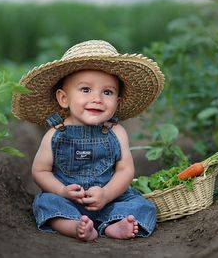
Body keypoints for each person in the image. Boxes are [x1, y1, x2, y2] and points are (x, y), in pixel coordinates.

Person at [12, 40, 165, 241]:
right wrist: (62, 190)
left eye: (107, 92)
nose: (97, 98)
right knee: (46, 202)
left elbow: (125, 171)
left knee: (143, 205)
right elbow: (40, 171)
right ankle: (73, 225)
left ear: (117, 102)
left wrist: (107, 194)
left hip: (109, 200)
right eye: (85, 90)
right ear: (63, 98)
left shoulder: (116, 132)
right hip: (68, 201)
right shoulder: (56, 133)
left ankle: (114, 225)